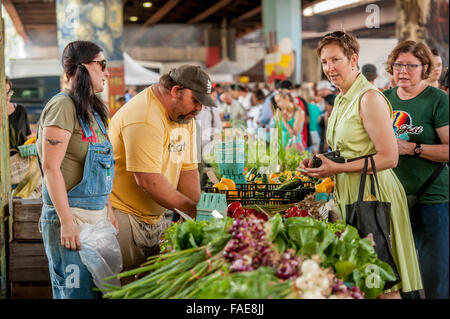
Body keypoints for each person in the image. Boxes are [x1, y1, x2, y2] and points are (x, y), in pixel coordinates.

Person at [299, 31, 423, 299]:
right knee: (363, 281)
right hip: (350, 195)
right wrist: (320, 162)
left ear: (353, 59)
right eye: (324, 62)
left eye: (335, 60)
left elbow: (390, 157)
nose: (329, 68)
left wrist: (337, 169)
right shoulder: (342, 98)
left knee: (381, 281)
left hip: (373, 197)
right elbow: (345, 150)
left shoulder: (368, 98)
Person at [108, 65, 215, 280]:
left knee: (153, 283)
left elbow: (187, 169)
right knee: (127, 287)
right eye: (196, 101)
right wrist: (189, 208)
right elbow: (148, 180)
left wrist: (198, 213)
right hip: (123, 216)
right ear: (176, 91)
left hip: (155, 218)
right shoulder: (145, 117)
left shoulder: (183, 117)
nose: (199, 109)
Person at [36, 40, 118, 299]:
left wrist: (108, 209)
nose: (107, 72)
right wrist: (67, 222)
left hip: (96, 221)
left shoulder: (92, 109)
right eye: (102, 64)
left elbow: (101, 167)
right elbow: (51, 168)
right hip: (71, 221)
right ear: (84, 67)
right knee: (77, 295)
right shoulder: (62, 106)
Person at [383, 40, 449, 299]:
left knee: (434, 275)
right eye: (398, 64)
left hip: (433, 199)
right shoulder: (383, 99)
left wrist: (412, 149)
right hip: (394, 198)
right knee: (404, 273)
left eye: (411, 65)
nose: (403, 71)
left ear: (425, 68)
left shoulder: (437, 99)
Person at [195, 89, 223, 188]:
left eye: (215, 96)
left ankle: (203, 189)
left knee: (206, 171)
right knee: (196, 171)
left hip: (207, 147)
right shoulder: (194, 108)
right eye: (213, 95)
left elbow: (218, 129)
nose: (214, 98)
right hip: (194, 147)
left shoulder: (212, 109)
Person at [6, 76, 31, 153]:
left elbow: (28, 137)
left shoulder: (21, 110)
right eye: (3, 92)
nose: (7, 96)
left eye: (8, 92)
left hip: (20, 161)